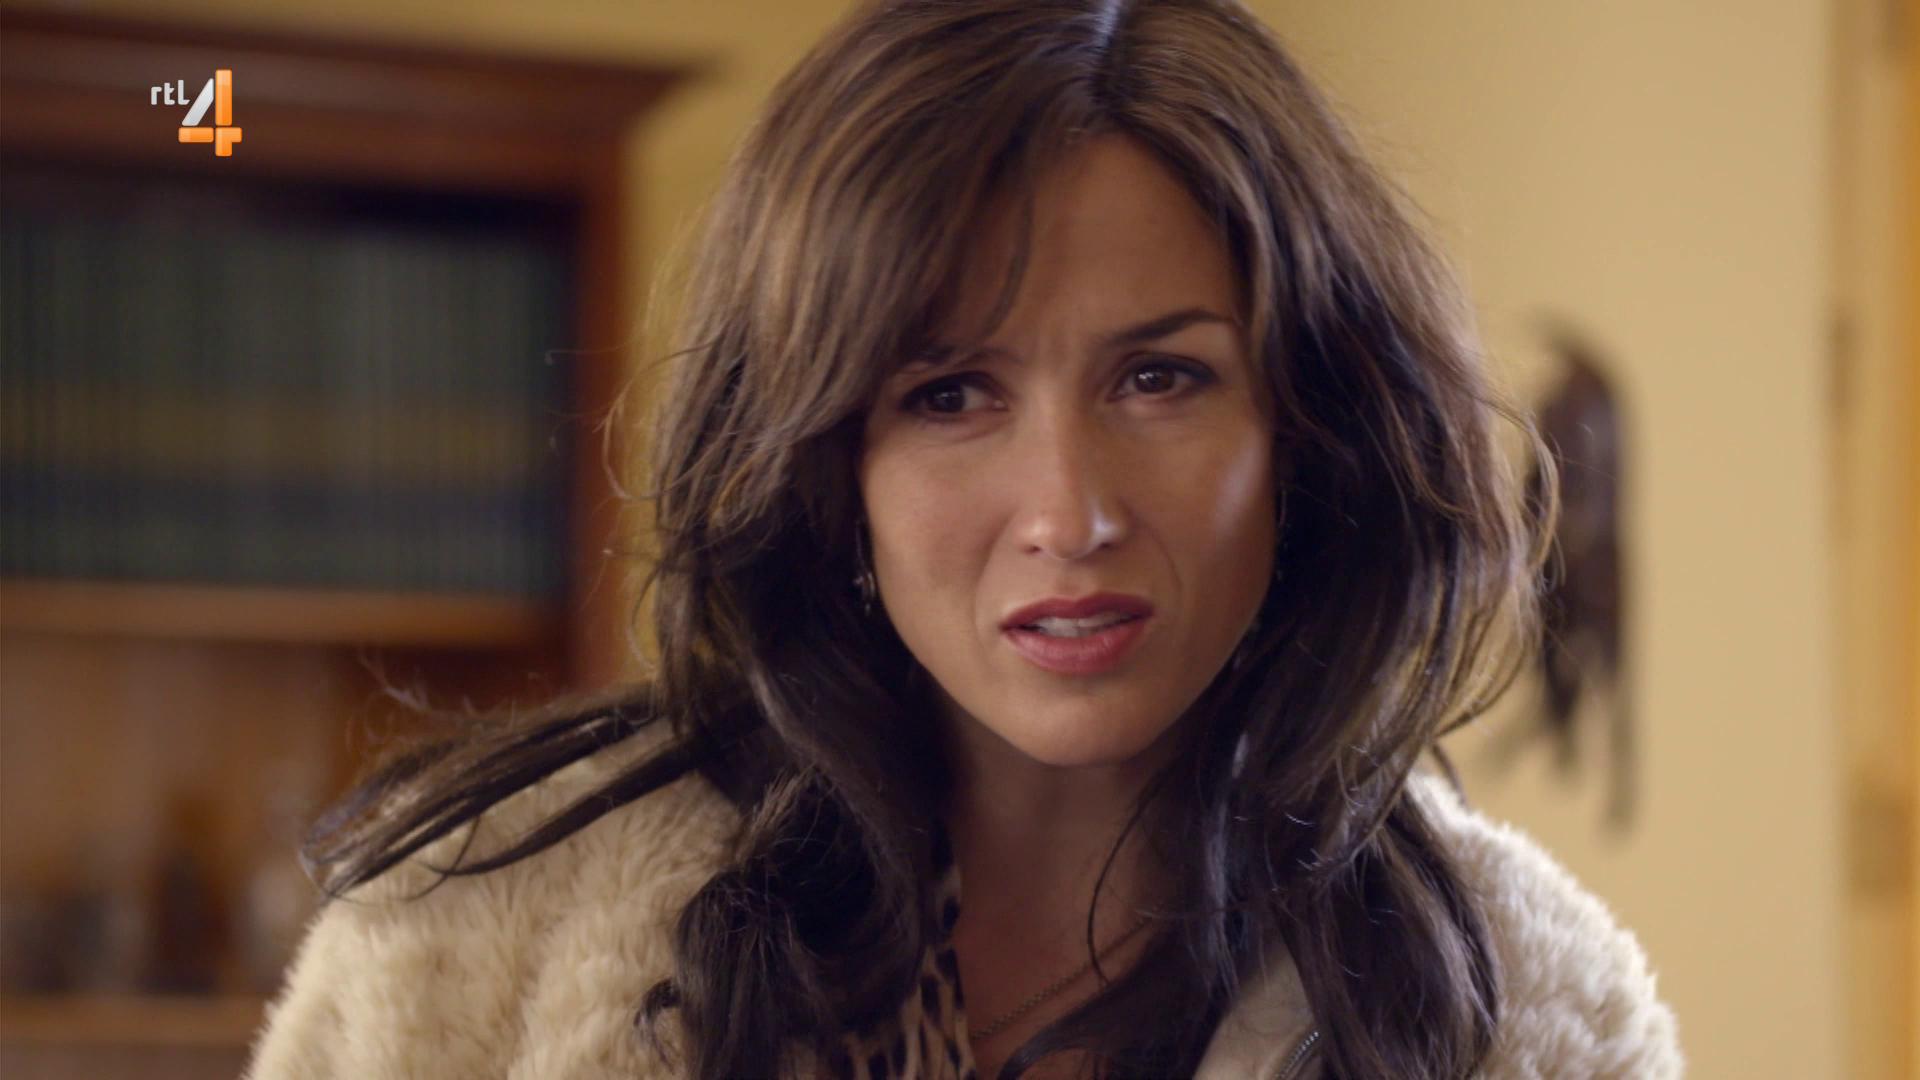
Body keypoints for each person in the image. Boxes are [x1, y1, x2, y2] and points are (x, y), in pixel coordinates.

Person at [244, 1, 1684, 1077]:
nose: (1070, 514)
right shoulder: (469, 945)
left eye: (1161, 378)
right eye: (948, 396)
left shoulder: (1532, 1016)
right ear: (828, 465)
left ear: (1307, 430)